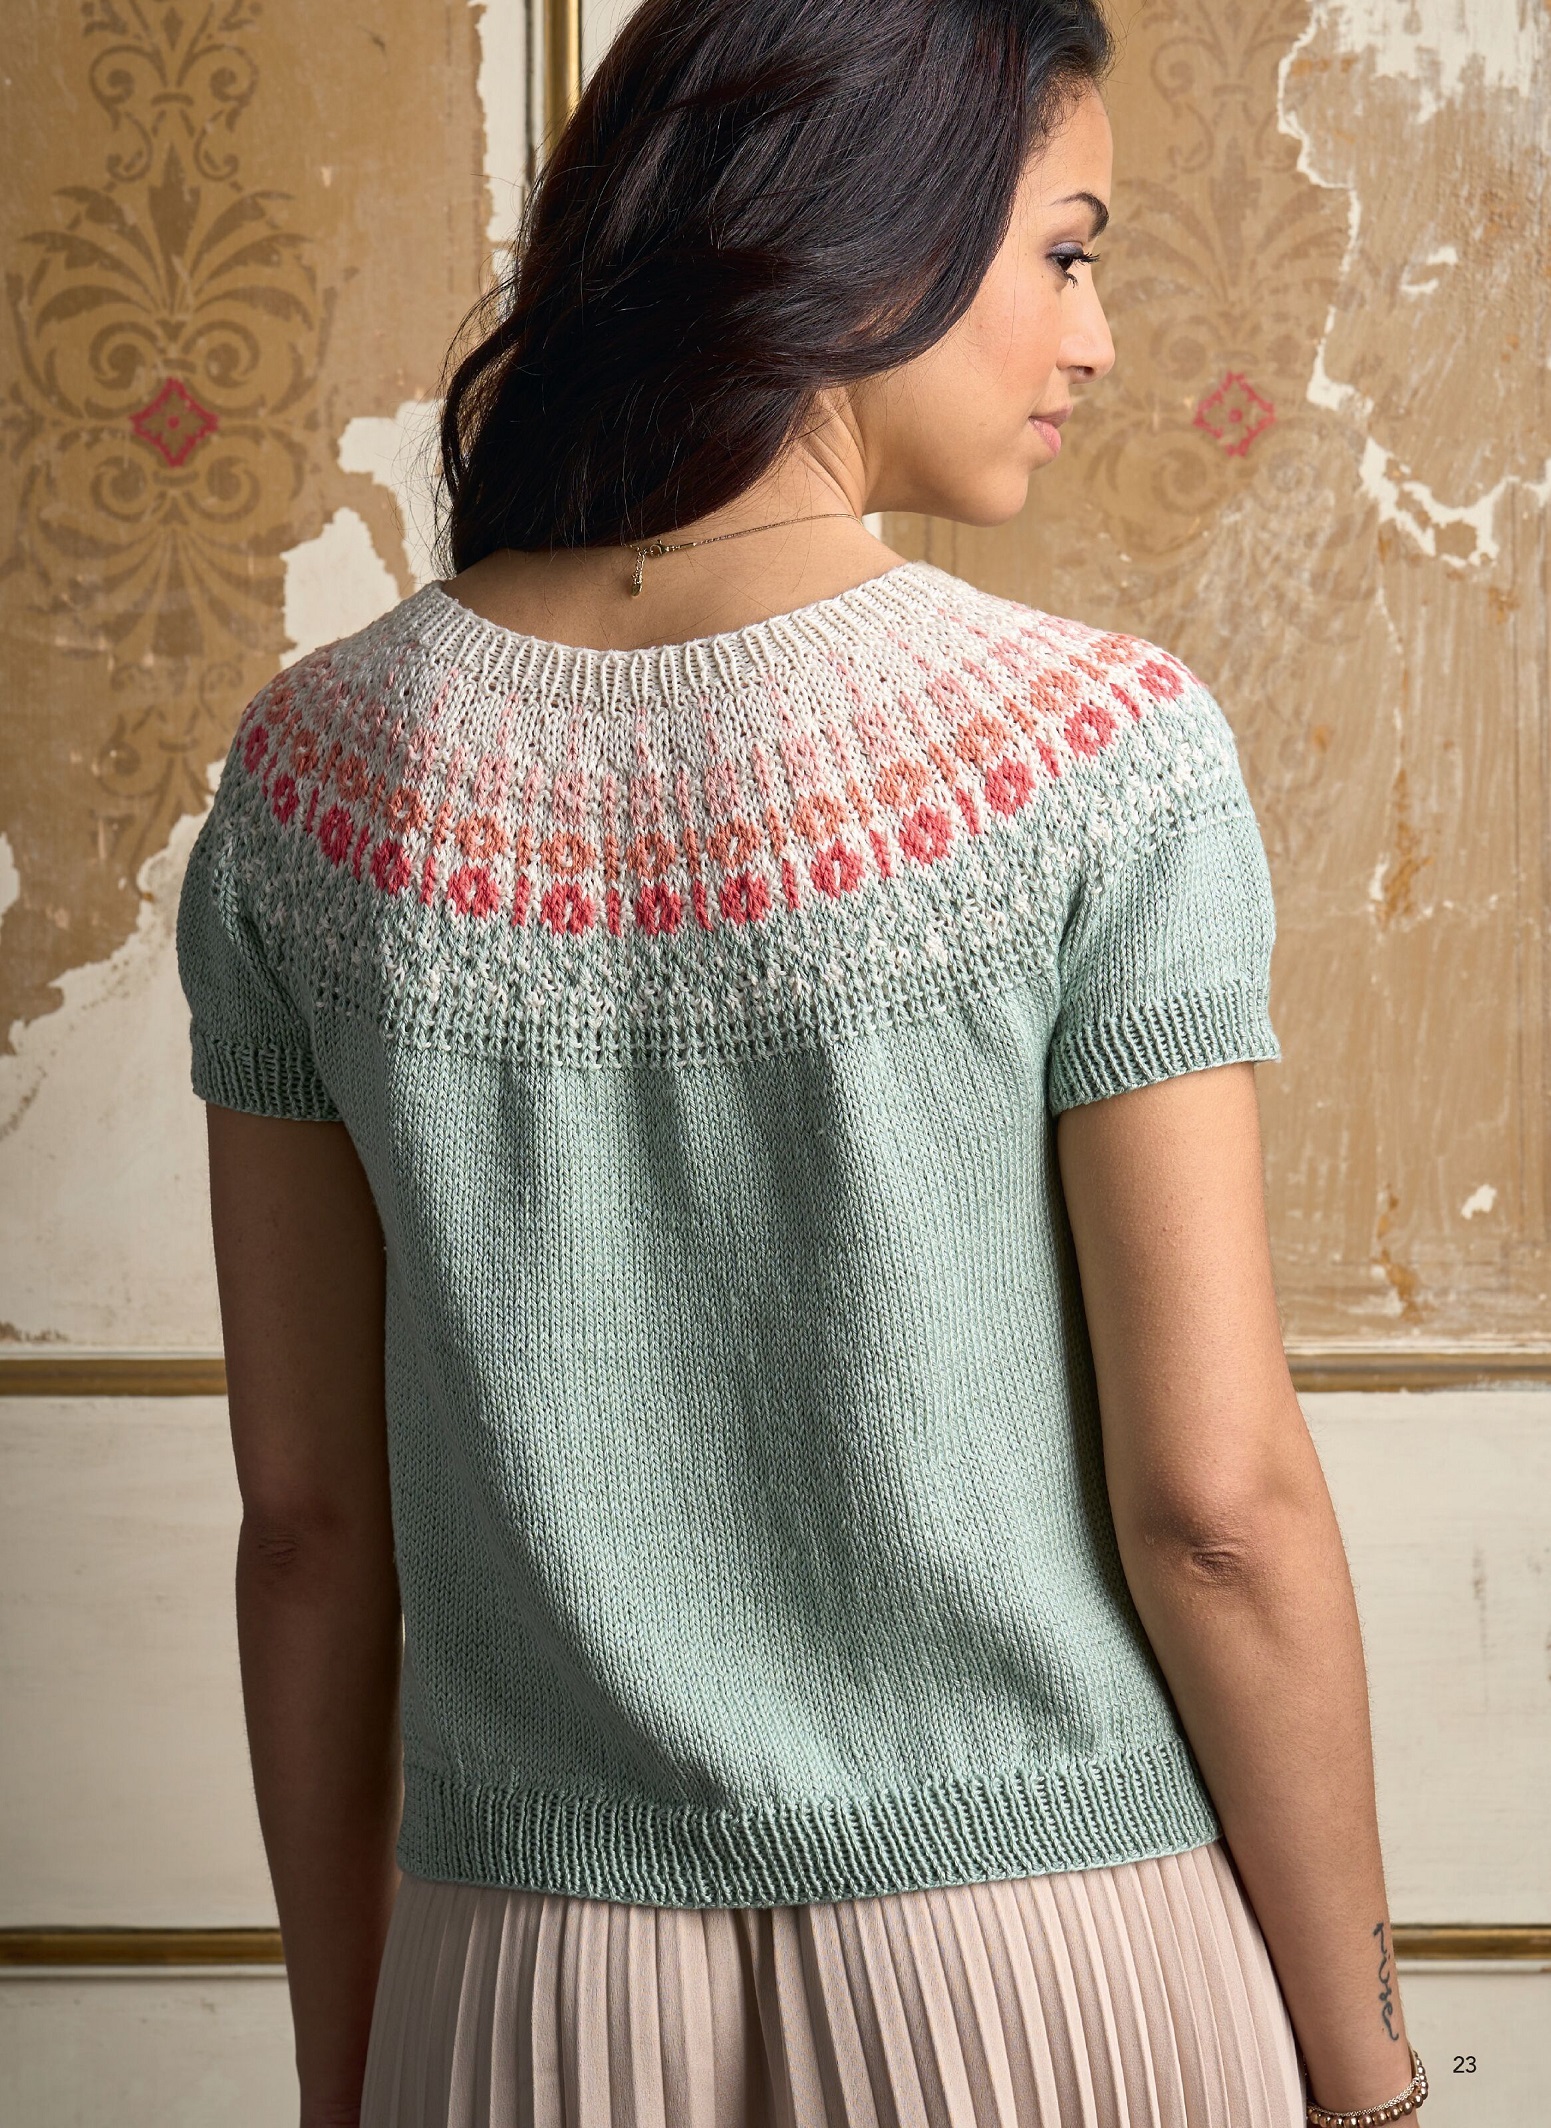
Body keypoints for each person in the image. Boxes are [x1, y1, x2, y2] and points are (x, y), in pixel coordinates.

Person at [176, 1, 1429, 2123]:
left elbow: (306, 1528)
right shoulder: (1097, 757)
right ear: (864, 240)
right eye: (1064, 252)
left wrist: (353, 2069)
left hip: (520, 1985)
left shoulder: (310, 779)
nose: (1097, 336)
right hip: (1050, 1958)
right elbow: (1216, 1509)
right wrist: (1373, 2072)